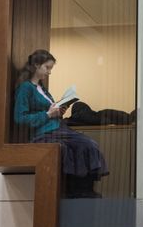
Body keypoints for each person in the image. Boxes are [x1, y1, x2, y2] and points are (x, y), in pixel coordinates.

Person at [13, 49, 108, 198]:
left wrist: (59, 111)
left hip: (58, 127)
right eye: (47, 67)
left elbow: (50, 112)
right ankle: (79, 190)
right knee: (84, 145)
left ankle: (83, 189)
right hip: (45, 133)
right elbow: (20, 118)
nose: (49, 72)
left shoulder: (43, 89)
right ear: (36, 65)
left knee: (89, 144)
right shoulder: (25, 88)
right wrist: (48, 114)